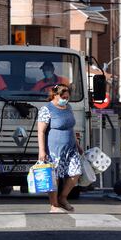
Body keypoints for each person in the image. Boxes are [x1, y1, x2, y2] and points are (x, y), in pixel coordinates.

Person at [37, 84, 83, 213]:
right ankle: (54, 204)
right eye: (63, 97)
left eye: (67, 97)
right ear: (55, 95)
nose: (65, 99)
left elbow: (71, 127)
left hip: (71, 148)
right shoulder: (47, 109)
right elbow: (41, 132)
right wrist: (42, 150)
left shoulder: (68, 107)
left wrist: (78, 145)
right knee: (54, 176)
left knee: (76, 172)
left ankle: (63, 198)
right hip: (54, 149)